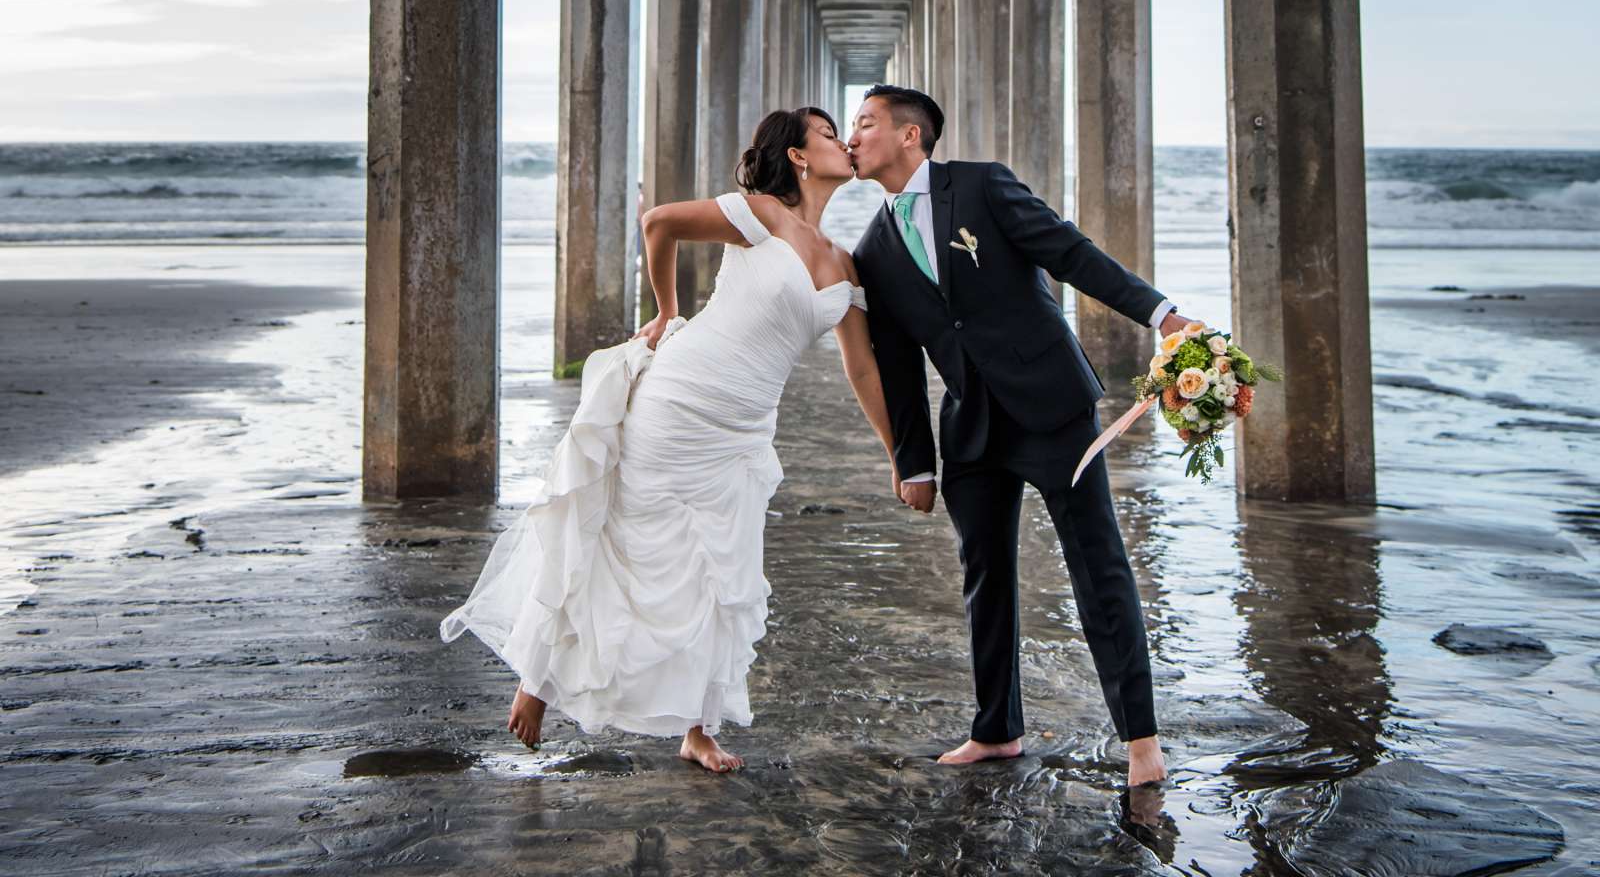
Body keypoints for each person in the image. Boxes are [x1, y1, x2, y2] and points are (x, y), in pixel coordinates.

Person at [441, 106, 896, 774]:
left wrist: (898, 455)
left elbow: (863, 368)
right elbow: (660, 223)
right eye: (830, 134)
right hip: (679, 402)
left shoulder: (846, 265)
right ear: (798, 155)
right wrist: (667, 309)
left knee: (722, 573)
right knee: (614, 532)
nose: (845, 142)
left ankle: (697, 729)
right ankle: (537, 675)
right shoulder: (762, 213)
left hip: (741, 435)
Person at [848, 82, 1196, 786]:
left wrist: (1160, 314)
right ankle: (997, 730)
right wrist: (913, 462)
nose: (853, 138)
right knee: (986, 581)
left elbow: (1070, 253)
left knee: (1097, 568)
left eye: (864, 123)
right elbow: (899, 367)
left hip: (1052, 407)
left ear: (909, 135)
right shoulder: (872, 248)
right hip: (970, 426)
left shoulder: (980, 187)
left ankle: (1141, 742)